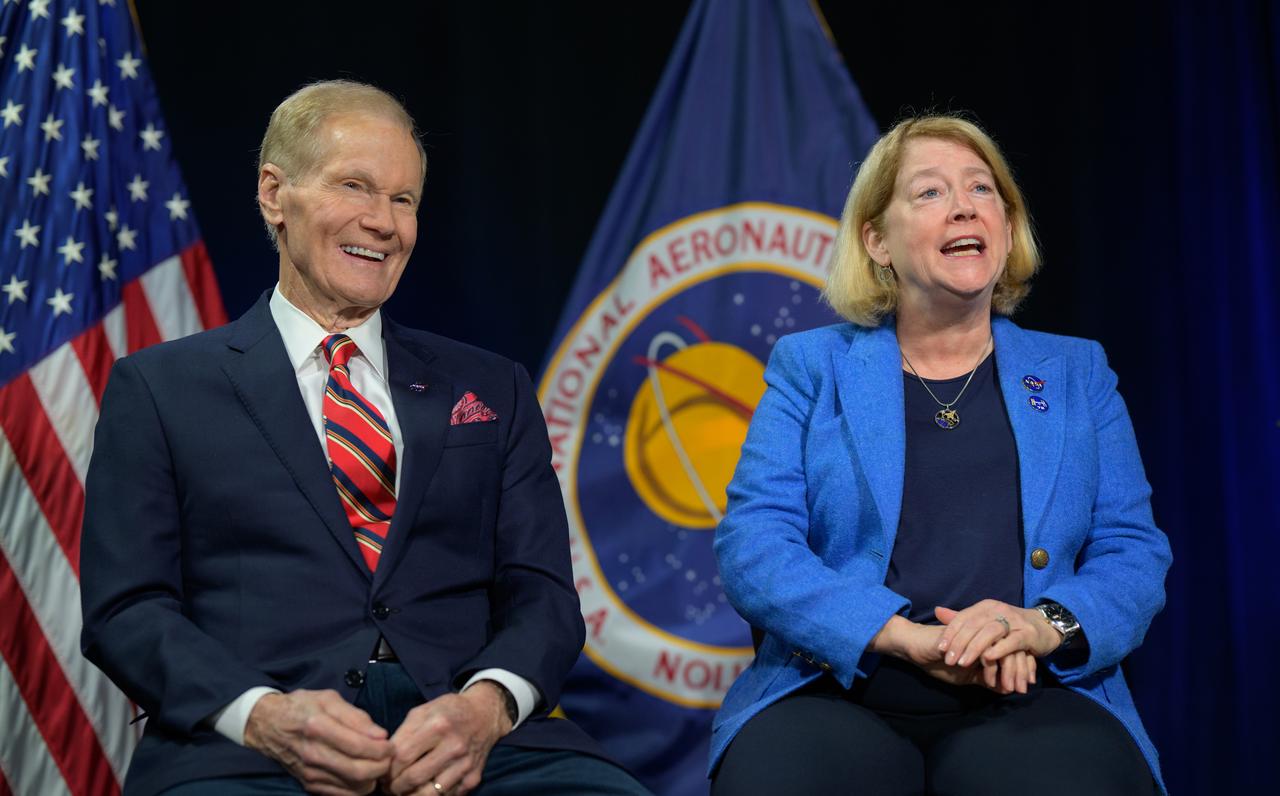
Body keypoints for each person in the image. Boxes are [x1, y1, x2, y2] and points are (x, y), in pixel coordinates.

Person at [80, 80, 649, 796]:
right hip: (251, 752)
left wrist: (486, 705)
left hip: (479, 746)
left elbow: (542, 595)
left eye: (404, 199)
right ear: (273, 195)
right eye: (356, 186)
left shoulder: (492, 387)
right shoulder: (160, 389)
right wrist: (263, 715)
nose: (383, 221)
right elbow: (125, 610)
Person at [708, 115, 1172, 795]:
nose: (963, 205)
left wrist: (1041, 626)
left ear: (1007, 229)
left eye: (983, 189)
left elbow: (1134, 552)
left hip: (1029, 692)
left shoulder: (1077, 372)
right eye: (929, 193)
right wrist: (896, 635)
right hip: (840, 689)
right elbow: (754, 546)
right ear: (877, 240)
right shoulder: (811, 367)